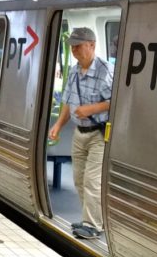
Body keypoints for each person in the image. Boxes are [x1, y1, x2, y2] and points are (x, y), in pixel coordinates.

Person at [47, 27, 113, 240]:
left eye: (78, 46)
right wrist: (57, 126)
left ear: (92, 45)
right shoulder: (75, 71)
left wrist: (90, 109)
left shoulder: (105, 71)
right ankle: (90, 219)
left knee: (92, 180)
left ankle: (93, 225)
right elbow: (68, 103)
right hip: (79, 132)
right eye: (72, 47)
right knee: (79, 179)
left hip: (98, 135)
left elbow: (115, 102)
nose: (74, 50)